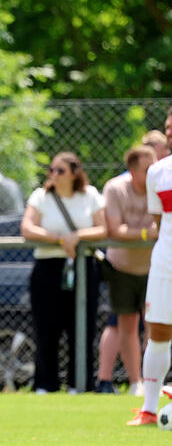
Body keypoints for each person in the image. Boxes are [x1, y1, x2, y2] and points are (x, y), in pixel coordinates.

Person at [20, 151, 107, 393]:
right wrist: (59, 239)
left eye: (61, 170)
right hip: (48, 268)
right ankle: (45, 384)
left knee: (82, 327)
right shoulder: (41, 196)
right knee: (47, 326)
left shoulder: (89, 195)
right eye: (52, 170)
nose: (54, 175)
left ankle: (80, 384)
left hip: (83, 268)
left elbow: (103, 229)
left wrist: (77, 236)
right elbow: (27, 228)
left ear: (74, 173)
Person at [97, 146, 158, 395]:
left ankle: (153, 380)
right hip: (122, 267)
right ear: (132, 171)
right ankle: (136, 383)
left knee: (155, 325)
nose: (153, 174)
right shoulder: (115, 188)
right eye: (147, 170)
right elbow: (114, 229)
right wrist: (145, 234)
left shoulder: (161, 187)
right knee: (127, 325)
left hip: (155, 267)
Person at [127, 152, 172, 425]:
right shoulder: (158, 171)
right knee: (158, 331)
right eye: (168, 126)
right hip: (165, 261)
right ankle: (148, 409)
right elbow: (158, 220)